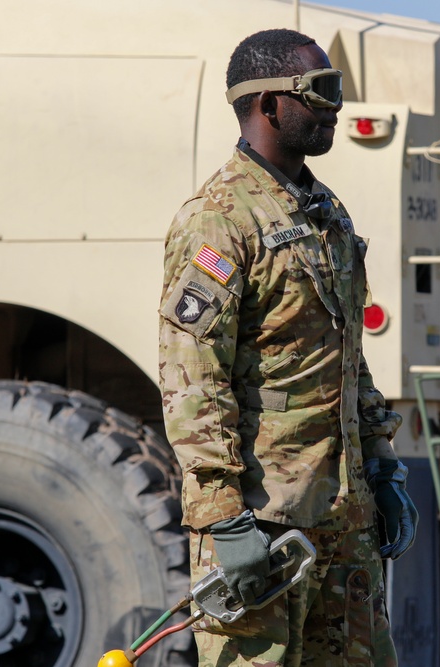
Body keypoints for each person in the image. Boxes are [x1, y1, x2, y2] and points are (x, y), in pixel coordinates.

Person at [158, 27, 418, 667]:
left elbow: (347, 357)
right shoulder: (219, 221)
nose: (334, 107)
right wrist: (224, 518)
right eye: (320, 91)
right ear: (269, 104)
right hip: (265, 522)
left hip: (342, 518)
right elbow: (192, 379)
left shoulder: (325, 212)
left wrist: (381, 467)